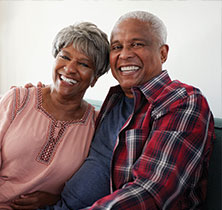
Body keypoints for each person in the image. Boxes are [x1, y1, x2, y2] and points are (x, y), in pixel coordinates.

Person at [13, 10, 215, 210]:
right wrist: (33, 100)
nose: (125, 54)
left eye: (137, 44)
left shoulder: (181, 102)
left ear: (162, 53)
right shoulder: (113, 103)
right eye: (117, 47)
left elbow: (150, 193)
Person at [0, 21, 110, 210]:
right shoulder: (18, 99)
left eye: (83, 64)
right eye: (65, 57)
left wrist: (55, 198)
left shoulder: (96, 125)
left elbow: (89, 185)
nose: (70, 68)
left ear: (95, 78)